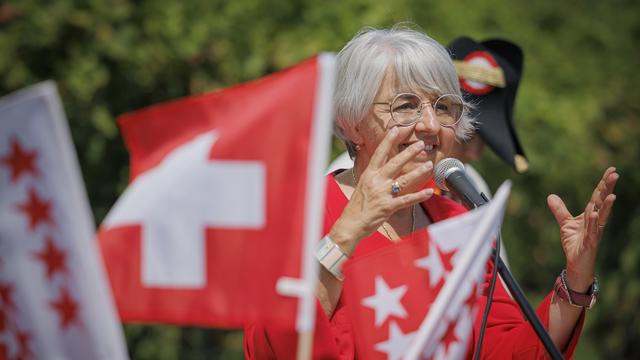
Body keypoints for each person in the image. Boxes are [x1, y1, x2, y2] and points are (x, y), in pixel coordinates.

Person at [244, 25, 619, 359]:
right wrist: (346, 235)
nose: (429, 124)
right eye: (405, 106)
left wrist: (575, 281)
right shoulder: (300, 211)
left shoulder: (456, 221)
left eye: (444, 107)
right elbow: (270, 348)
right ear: (351, 123)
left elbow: (503, 350)